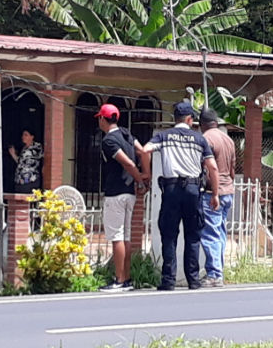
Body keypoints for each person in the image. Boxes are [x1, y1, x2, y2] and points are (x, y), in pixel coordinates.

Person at [142, 102, 219, 290]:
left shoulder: (164, 136)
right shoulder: (199, 139)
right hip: (193, 190)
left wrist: (146, 173)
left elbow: (144, 150)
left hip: (171, 189)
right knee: (193, 235)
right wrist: (215, 194)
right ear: (190, 119)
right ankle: (193, 280)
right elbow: (213, 167)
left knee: (169, 235)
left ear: (175, 118)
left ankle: (168, 280)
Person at [94, 104, 151, 292]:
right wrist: (146, 174)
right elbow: (143, 151)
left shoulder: (109, 141)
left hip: (115, 192)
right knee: (125, 235)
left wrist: (140, 179)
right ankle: (126, 278)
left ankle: (118, 280)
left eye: (99, 119)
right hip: (130, 193)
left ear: (103, 119)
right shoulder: (127, 134)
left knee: (116, 237)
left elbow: (126, 162)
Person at [199, 108, 236, 288]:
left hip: (213, 193)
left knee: (210, 233)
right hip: (228, 190)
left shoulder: (206, 139)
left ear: (202, 124)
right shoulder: (228, 139)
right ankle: (218, 270)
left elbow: (207, 167)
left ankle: (214, 274)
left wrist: (213, 191)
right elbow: (232, 170)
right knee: (220, 233)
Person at [8, 128, 44, 194]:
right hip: (20, 180)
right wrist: (13, 154)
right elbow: (21, 163)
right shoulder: (24, 148)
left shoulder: (36, 147)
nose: (23, 137)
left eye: (26, 135)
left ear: (32, 137)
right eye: (23, 135)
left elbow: (39, 158)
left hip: (30, 179)